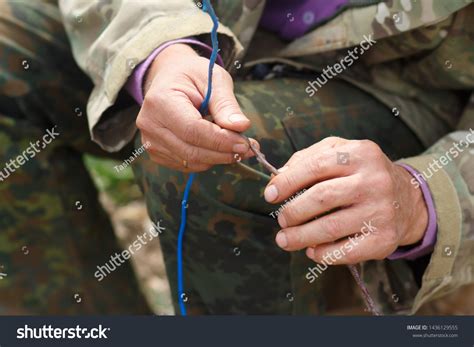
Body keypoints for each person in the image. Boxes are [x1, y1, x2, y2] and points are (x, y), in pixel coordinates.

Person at [0, 0, 472, 315]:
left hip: (414, 99)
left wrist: (425, 195)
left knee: (213, 172)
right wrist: (158, 50)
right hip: (206, 36)